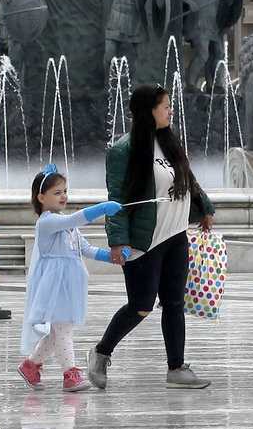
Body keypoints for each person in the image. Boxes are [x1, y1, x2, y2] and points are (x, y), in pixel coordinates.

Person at [86, 83, 216, 390]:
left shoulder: (168, 141)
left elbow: (188, 180)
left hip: (175, 236)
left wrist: (205, 208)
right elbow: (116, 198)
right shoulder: (124, 150)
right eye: (165, 106)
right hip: (145, 240)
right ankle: (101, 352)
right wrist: (118, 241)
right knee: (140, 305)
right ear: (149, 110)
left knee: (174, 303)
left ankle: (176, 368)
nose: (171, 110)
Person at [18, 165, 124, 393]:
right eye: (57, 193)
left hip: (68, 283)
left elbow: (84, 248)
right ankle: (70, 375)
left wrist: (112, 256)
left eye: (64, 191)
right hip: (54, 284)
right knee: (64, 328)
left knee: (57, 331)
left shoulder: (66, 224)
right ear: (41, 198)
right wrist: (102, 208)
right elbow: (76, 219)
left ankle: (30, 365)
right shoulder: (47, 221)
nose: (63, 196)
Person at [170, 0, 243, 92]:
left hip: (212, 24)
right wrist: (189, 2)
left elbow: (226, 3)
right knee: (203, 54)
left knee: (217, 54)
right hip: (197, 22)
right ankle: (190, 85)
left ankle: (213, 85)